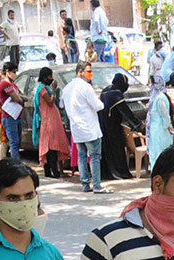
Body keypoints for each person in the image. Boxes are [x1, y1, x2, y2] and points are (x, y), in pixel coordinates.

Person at [61, 60, 107, 193]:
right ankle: (97, 185)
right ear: (80, 72)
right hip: (89, 127)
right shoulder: (85, 87)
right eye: (88, 71)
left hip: (77, 127)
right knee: (94, 156)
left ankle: (85, 184)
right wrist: (100, 101)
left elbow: (62, 105)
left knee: (82, 155)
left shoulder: (67, 88)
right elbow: (97, 106)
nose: (90, 74)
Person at [31, 66, 69, 179]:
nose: (51, 78)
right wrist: (53, 89)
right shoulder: (42, 89)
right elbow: (50, 102)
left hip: (51, 120)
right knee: (51, 148)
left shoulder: (43, 88)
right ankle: (53, 171)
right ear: (44, 77)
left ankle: (50, 171)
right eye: (50, 76)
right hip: (48, 121)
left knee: (51, 146)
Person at [99, 71, 135, 179]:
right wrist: (137, 124)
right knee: (117, 149)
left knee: (106, 149)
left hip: (102, 124)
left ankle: (106, 173)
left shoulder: (105, 91)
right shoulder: (116, 94)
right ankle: (121, 173)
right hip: (113, 125)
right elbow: (126, 112)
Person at [0, 61, 24, 161]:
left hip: (17, 116)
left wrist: (19, 97)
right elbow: (17, 98)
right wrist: (19, 98)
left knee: (18, 142)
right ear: (7, 72)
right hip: (9, 117)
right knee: (14, 142)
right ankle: (16, 163)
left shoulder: (13, 86)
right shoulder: (4, 84)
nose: (15, 74)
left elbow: (21, 96)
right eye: (14, 72)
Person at [145, 74, 171, 171]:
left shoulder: (160, 98)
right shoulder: (155, 98)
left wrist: (167, 126)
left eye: (151, 83)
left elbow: (165, 116)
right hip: (155, 131)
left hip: (160, 132)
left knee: (159, 155)